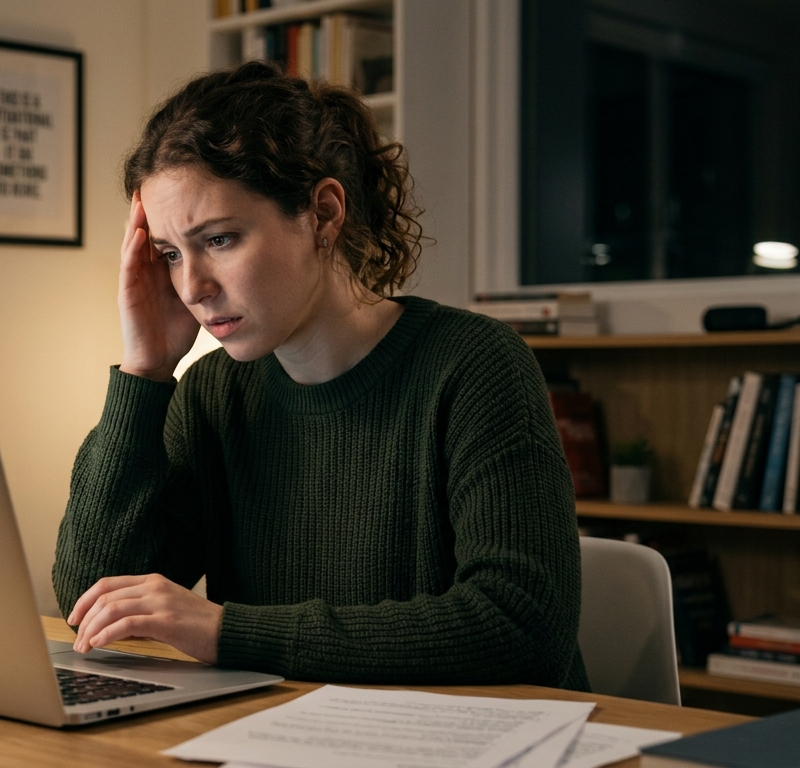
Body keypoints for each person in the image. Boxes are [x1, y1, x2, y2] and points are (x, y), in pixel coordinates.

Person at [52, 61, 588, 689]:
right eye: (170, 254)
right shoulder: (213, 395)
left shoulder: (475, 364)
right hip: (280, 737)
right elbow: (91, 596)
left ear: (324, 214)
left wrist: (226, 631)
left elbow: (523, 628)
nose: (192, 287)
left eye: (219, 240)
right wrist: (144, 373)